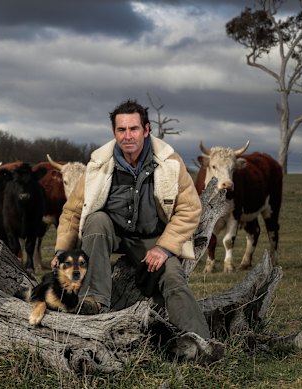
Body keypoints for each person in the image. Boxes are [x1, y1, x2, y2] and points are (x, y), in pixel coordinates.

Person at [52, 98, 210, 339]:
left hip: (153, 237)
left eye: (134, 128)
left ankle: (198, 341)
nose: (128, 136)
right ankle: (94, 302)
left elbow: (189, 209)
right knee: (95, 220)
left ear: (146, 130)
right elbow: (73, 212)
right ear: (114, 132)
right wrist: (62, 250)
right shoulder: (99, 165)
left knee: (173, 277)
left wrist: (164, 248)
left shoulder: (169, 163)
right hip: (111, 233)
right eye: (121, 129)